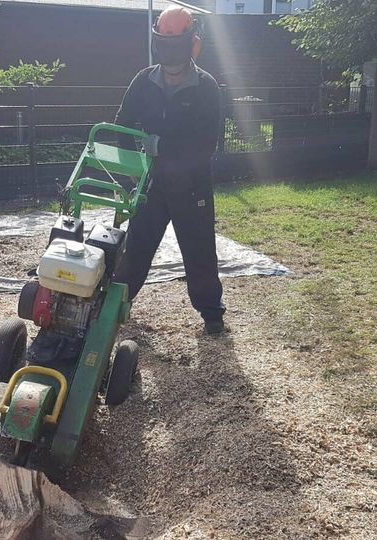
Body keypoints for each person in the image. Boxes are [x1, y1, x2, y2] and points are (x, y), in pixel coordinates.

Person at [112, 6, 226, 335]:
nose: (171, 54)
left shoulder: (206, 88)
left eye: (177, 46)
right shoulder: (143, 81)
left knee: (200, 249)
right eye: (165, 45)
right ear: (158, 45)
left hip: (192, 185)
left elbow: (206, 144)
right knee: (136, 248)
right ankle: (117, 304)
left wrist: (158, 146)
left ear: (192, 45)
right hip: (150, 183)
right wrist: (131, 169)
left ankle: (211, 313)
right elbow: (122, 125)